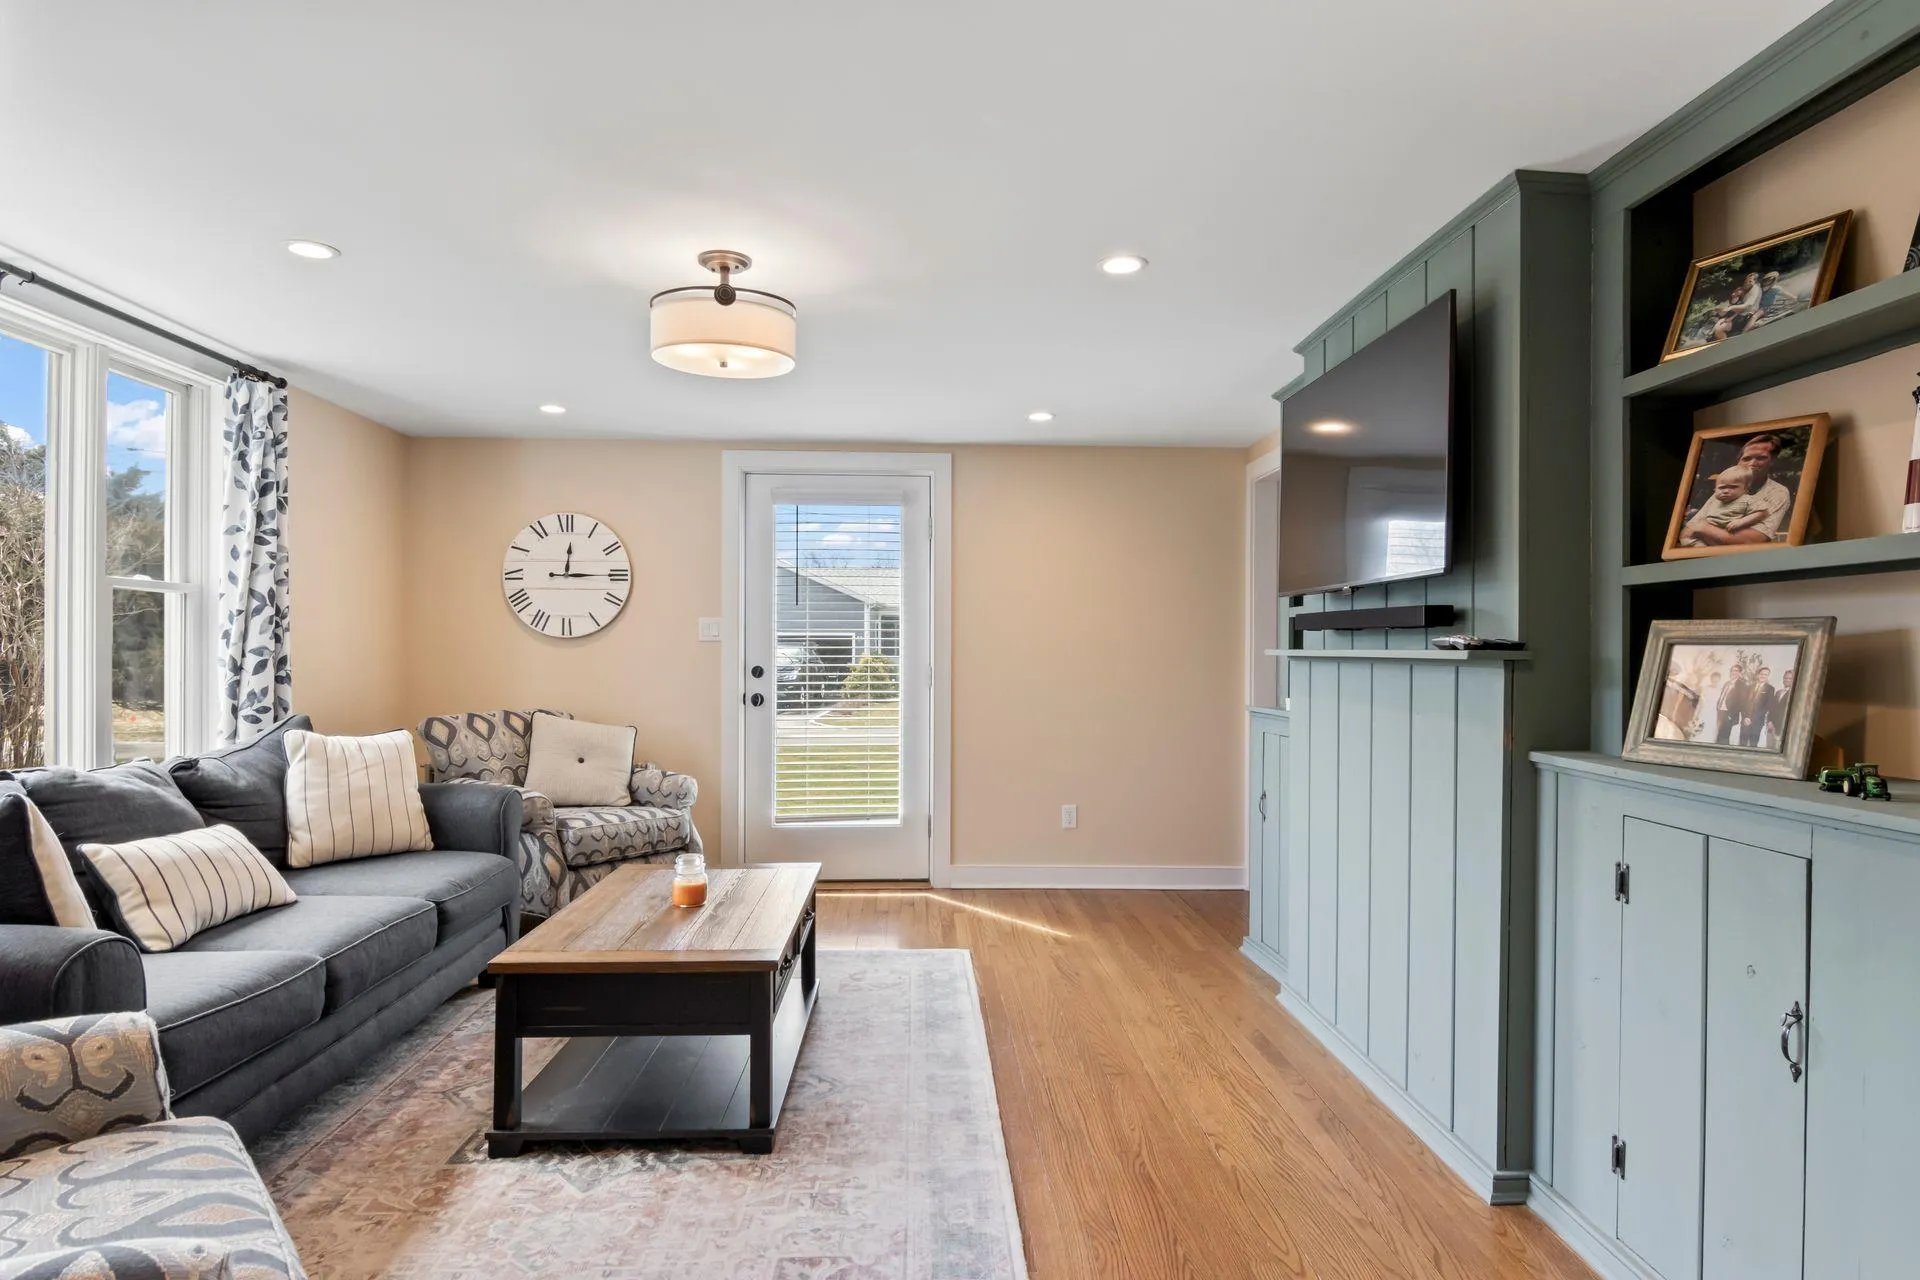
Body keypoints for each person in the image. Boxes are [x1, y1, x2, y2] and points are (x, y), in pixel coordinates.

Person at [1682, 432, 1794, 547]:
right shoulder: (1726, 489)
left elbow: (1754, 540)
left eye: (1761, 458)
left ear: (1772, 461)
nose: (1752, 463)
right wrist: (1720, 536)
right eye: (1746, 459)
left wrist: (1703, 528)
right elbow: (1688, 532)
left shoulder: (1777, 492)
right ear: (1738, 462)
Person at [1680, 465, 1771, 546]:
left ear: (1746, 488)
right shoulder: (1715, 501)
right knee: (1685, 537)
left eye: (1733, 487)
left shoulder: (1747, 499)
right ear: (1715, 489)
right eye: (1722, 487)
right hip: (1706, 533)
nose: (1726, 491)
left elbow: (1763, 512)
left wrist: (1742, 521)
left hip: (1727, 533)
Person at [1715, 661, 1749, 745]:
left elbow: (1741, 703)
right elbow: (1722, 696)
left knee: (1724, 736)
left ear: (1740, 673)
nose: (1734, 672)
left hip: (1729, 714)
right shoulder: (1727, 683)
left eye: (1736, 670)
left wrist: (1731, 715)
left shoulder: (1742, 685)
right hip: (1720, 711)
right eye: (1732, 670)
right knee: (1717, 733)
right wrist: (1718, 707)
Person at [1742, 665, 1776, 747]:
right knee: (1742, 743)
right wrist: (1745, 717)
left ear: (1768, 676)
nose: (1763, 676)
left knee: (1753, 744)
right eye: (1761, 674)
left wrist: (1752, 719)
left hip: (1757, 721)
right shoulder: (1750, 687)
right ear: (1758, 675)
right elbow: (1744, 703)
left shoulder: (1770, 689)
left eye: (1765, 675)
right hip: (1745, 721)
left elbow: (1767, 706)